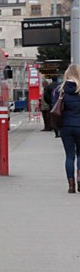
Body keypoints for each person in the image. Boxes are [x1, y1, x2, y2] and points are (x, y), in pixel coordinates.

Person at [52, 65, 80, 193]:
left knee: (69, 156)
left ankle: (71, 185)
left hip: (66, 127)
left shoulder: (60, 90)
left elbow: (55, 108)